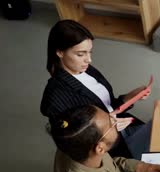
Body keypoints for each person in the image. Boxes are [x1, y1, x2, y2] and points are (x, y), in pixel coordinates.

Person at [41, 20, 151, 159]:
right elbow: (73, 141)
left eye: (89, 52)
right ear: (60, 52)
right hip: (111, 148)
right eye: (81, 54)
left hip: (124, 127)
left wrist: (130, 97)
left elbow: (107, 105)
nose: (89, 60)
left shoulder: (86, 69)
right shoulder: (55, 98)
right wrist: (109, 126)